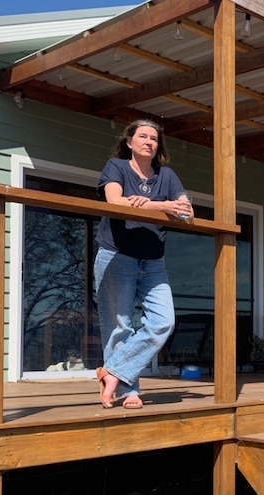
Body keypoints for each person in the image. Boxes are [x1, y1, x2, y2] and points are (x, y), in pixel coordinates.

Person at [94, 119, 192, 409]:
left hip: (153, 261)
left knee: (163, 321)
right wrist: (162, 206)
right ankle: (128, 390)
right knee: (119, 325)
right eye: (143, 136)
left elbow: (185, 211)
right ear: (130, 142)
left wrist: (143, 203)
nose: (149, 141)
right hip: (116, 254)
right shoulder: (117, 167)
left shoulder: (167, 176)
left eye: (154, 138)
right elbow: (115, 201)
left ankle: (112, 371)